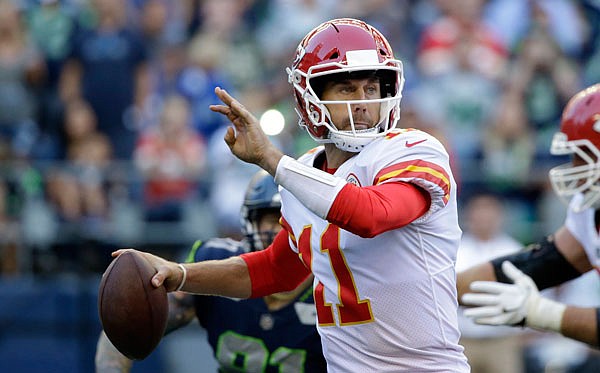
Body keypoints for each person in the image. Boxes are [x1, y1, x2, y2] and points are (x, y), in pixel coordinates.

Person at [114, 18, 469, 371]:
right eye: (346, 89)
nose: (362, 102)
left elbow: (371, 215)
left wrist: (272, 160)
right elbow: (274, 270)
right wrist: (180, 273)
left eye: (371, 88)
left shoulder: (413, 149)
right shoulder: (302, 174)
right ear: (310, 98)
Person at [96, 170, 325, 372]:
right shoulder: (215, 258)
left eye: (287, 218)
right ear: (251, 222)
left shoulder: (332, 282)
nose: (280, 229)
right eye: (271, 219)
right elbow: (131, 321)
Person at [457, 83, 600, 347]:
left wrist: (544, 314)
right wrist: (436, 292)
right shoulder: (591, 212)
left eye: (584, 156)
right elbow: (539, 265)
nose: (575, 168)